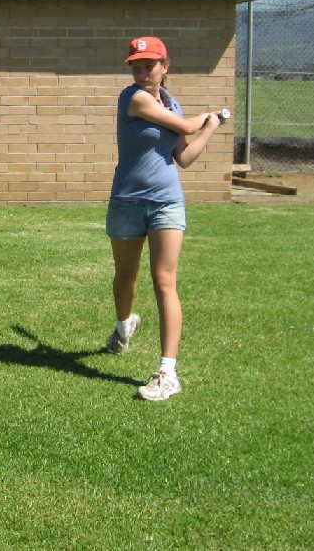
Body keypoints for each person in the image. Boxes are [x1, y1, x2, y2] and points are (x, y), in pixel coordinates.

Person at [105, 36, 225, 401]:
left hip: (166, 203)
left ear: (164, 66)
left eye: (149, 65)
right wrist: (203, 118)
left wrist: (210, 129)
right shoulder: (132, 98)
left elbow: (184, 157)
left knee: (164, 281)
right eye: (136, 66)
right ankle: (125, 326)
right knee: (126, 278)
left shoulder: (171, 104)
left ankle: (167, 372)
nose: (142, 72)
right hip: (127, 201)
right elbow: (186, 126)